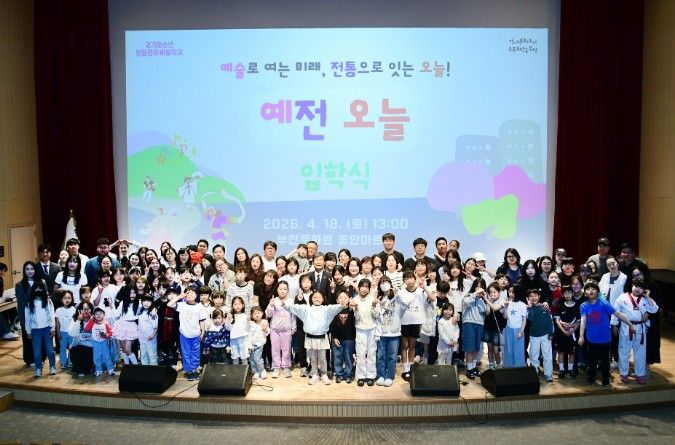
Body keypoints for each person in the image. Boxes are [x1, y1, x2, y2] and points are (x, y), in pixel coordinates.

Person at [578, 281, 637, 387]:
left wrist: (630, 324)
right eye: (588, 289)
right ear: (585, 293)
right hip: (591, 339)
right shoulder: (583, 306)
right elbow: (583, 321)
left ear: (598, 292)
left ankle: (605, 380)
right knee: (591, 361)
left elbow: (618, 314)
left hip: (605, 339)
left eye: (593, 289)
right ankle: (591, 378)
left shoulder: (604, 303)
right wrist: (581, 336)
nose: (591, 291)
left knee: (605, 362)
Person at [285, 290, 346, 385]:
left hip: (322, 338)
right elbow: (296, 308)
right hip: (311, 338)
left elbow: (334, 307)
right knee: (313, 358)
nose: (317, 299)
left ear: (323, 299)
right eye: (314, 297)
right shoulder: (307, 309)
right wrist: (286, 305)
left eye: (319, 297)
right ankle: (315, 374)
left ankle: (324, 374)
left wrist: (341, 305)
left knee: (322, 357)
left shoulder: (326, 309)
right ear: (311, 299)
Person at [611, 278, 659, 384]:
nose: (638, 289)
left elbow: (654, 309)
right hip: (626, 327)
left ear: (644, 289)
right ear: (632, 285)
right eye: (636, 286)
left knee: (640, 353)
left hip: (640, 328)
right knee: (624, 351)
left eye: (641, 288)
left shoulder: (645, 299)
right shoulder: (622, 297)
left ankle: (640, 374)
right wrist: (614, 325)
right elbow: (615, 311)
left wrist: (647, 296)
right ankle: (624, 373)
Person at [167, 287, 206, 380]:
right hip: (184, 334)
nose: (190, 294)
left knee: (195, 353)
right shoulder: (181, 305)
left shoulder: (200, 306)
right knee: (186, 353)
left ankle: (194, 370)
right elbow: (169, 304)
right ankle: (188, 371)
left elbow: (202, 320)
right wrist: (180, 296)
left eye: (192, 292)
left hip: (196, 334)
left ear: (196, 295)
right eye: (187, 293)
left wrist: (203, 332)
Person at [350, 278, 380, 387]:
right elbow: (356, 318)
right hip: (360, 329)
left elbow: (376, 316)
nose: (364, 289)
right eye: (362, 286)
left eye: (367, 287)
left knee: (371, 352)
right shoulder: (354, 300)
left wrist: (374, 305)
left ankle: (371, 376)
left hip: (371, 329)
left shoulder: (373, 299)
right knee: (360, 353)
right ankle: (361, 376)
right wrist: (356, 308)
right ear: (358, 288)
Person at [24, 280, 56, 377]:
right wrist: (28, 331)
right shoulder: (29, 303)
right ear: (33, 289)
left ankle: (52, 367)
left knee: (50, 351)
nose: (38, 290)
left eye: (40, 288)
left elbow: (52, 315)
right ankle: (38, 368)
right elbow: (27, 318)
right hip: (35, 331)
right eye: (36, 288)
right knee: (37, 352)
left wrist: (53, 328)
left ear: (43, 289)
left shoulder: (48, 301)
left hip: (47, 329)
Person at [265, 281, 295, 378]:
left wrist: (293, 327)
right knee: (275, 349)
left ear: (288, 290)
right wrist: (271, 305)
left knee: (287, 349)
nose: (282, 291)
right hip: (275, 330)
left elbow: (293, 315)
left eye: (285, 289)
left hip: (287, 329)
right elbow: (268, 314)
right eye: (280, 289)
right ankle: (276, 367)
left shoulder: (291, 301)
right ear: (277, 290)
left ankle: (286, 367)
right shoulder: (274, 300)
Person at [374, 276, 401, 386]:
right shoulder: (378, 297)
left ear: (390, 283)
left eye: (386, 282)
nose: (384, 284)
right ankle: (381, 375)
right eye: (381, 283)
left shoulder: (397, 295)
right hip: (381, 332)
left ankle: (390, 376)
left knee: (392, 356)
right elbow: (376, 314)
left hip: (394, 332)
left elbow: (402, 304)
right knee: (380, 355)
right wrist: (375, 303)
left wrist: (397, 294)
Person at [112, 278, 143, 365]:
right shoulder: (123, 303)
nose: (132, 295)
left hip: (131, 326)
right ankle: (126, 365)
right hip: (122, 325)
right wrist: (111, 305)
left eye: (134, 293)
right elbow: (116, 314)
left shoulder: (139, 303)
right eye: (130, 293)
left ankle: (136, 366)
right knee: (123, 349)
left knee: (127, 349)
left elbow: (142, 314)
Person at [527, 289, 555, 382]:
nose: (533, 298)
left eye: (535, 295)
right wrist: (530, 307)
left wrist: (551, 333)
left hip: (545, 335)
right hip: (534, 335)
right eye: (531, 296)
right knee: (534, 355)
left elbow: (550, 321)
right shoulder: (528, 308)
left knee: (547, 355)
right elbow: (530, 318)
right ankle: (535, 371)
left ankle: (548, 374)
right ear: (528, 298)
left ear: (539, 296)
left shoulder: (544, 306)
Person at [462, 278, 487, 379]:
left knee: (476, 348)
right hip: (469, 323)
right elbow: (466, 303)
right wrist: (475, 294)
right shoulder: (468, 296)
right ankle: (469, 369)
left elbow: (484, 311)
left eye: (481, 286)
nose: (479, 288)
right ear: (474, 287)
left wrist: (482, 298)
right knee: (470, 348)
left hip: (480, 324)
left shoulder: (483, 299)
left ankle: (473, 367)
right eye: (477, 286)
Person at [330, 290, 356, 384]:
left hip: (349, 339)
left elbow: (354, 324)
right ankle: (339, 374)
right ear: (337, 300)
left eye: (345, 298)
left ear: (349, 299)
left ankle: (349, 374)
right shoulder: (334, 311)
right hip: (337, 339)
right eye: (340, 298)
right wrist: (334, 337)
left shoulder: (352, 310)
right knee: (337, 357)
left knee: (348, 357)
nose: (343, 299)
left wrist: (353, 307)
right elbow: (332, 325)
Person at [555, 286, 580, 378]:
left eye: (569, 292)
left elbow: (579, 321)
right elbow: (557, 320)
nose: (567, 295)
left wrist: (573, 329)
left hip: (573, 334)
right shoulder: (560, 306)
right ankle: (561, 370)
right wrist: (563, 330)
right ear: (562, 294)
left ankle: (570, 370)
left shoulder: (577, 306)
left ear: (573, 293)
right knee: (561, 351)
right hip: (561, 333)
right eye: (565, 293)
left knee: (572, 352)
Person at [15, 261, 37, 366]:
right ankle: (29, 359)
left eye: (32, 269)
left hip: (39, 316)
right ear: (24, 271)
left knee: (38, 338)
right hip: (27, 316)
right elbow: (21, 305)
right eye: (27, 269)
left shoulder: (41, 282)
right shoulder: (19, 285)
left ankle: (40, 357)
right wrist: (23, 321)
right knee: (28, 339)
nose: (30, 271)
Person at [481, 282, 507, 369]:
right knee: (489, 348)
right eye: (490, 292)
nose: (492, 294)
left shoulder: (502, 301)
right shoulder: (489, 301)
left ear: (499, 292)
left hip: (497, 329)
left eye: (494, 292)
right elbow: (488, 312)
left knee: (496, 350)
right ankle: (491, 364)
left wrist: (486, 299)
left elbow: (495, 308)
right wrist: (488, 301)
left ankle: (499, 365)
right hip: (488, 327)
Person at [67, 301, 95, 377]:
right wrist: (78, 321)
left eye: (88, 308)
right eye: (83, 309)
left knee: (87, 351)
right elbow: (72, 333)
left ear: (91, 310)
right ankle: (81, 370)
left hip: (91, 346)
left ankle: (89, 367)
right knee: (77, 350)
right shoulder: (75, 319)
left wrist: (92, 322)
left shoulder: (95, 320)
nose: (86, 311)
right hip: (78, 346)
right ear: (79, 310)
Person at [85, 307, 115, 377]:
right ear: (94, 315)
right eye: (96, 314)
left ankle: (110, 369)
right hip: (95, 343)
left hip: (104, 342)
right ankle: (98, 369)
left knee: (107, 356)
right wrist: (90, 321)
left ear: (104, 315)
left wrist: (106, 335)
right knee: (96, 357)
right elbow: (86, 330)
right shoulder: (92, 323)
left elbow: (110, 332)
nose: (98, 315)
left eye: (100, 313)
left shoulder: (106, 323)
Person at [503, 286, 527, 367]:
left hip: (518, 330)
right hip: (509, 329)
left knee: (518, 350)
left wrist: (521, 331)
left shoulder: (522, 305)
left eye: (513, 292)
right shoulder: (508, 303)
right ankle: (508, 367)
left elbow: (524, 319)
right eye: (509, 292)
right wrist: (505, 307)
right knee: (508, 350)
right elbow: (505, 317)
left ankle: (518, 368)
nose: (510, 294)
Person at [54, 290, 76, 369]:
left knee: (71, 348)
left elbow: (75, 322)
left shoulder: (73, 309)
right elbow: (57, 323)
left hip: (71, 333)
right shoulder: (58, 310)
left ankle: (70, 362)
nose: (67, 300)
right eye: (65, 298)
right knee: (62, 348)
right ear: (61, 299)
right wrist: (58, 333)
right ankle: (63, 362)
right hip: (62, 332)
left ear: (72, 299)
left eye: (69, 298)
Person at [225, 296, 250, 365]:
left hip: (243, 338)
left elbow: (248, 329)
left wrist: (248, 321)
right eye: (235, 304)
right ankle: (235, 371)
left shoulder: (245, 316)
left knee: (244, 356)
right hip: (233, 339)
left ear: (243, 305)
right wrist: (229, 320)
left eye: (239, 304)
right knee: (235, 356)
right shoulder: (230, 316)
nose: (237, 306)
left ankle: (245, 370)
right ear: (232, 306)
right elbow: (228, 328)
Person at [248, 306, 269, 379]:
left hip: (259, 344)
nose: (257, 315)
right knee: (252, 359)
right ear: (252, 316)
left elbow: (267, 333)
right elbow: (249, 334)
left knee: (257, 358)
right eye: (254, 314)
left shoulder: (264, 322)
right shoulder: (251, 323)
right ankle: (256, 371)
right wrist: (249, 344)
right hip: (251, 345)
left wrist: (265, 329)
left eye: (258, 313)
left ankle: (262, 370)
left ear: (262, 313)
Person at [138, 294, 158, 365]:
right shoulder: (140, 311)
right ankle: (145, 370)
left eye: (149, 301)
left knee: (152, 356)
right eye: (145, 301)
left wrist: (152, 335)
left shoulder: (153, 313)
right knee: (143, 356)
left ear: (152, 303)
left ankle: (154, 371)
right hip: (142, 338)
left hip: (151, 339)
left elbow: (156, 327)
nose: (146, 303)